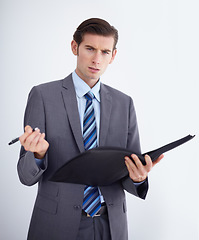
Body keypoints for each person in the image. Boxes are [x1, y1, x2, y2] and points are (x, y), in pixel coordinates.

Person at [18, 18, 163, 240]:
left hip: (111, 225)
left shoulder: (125, 104)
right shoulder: (43, 96)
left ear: (113, 56)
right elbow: (25, 176)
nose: (97, 59)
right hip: (57, 224)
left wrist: (138, 178)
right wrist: (37, 155)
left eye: (105, 52)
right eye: (90, 49)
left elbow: (128, 169)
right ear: (75, 47)